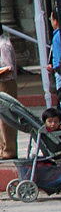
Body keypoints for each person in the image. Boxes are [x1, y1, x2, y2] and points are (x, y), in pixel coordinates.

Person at [0, 23, 17, 159]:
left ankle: (9, 149)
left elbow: (8, 67)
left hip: (6, 83)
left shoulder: (4, 45)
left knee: (7, 118)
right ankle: (2, 148)